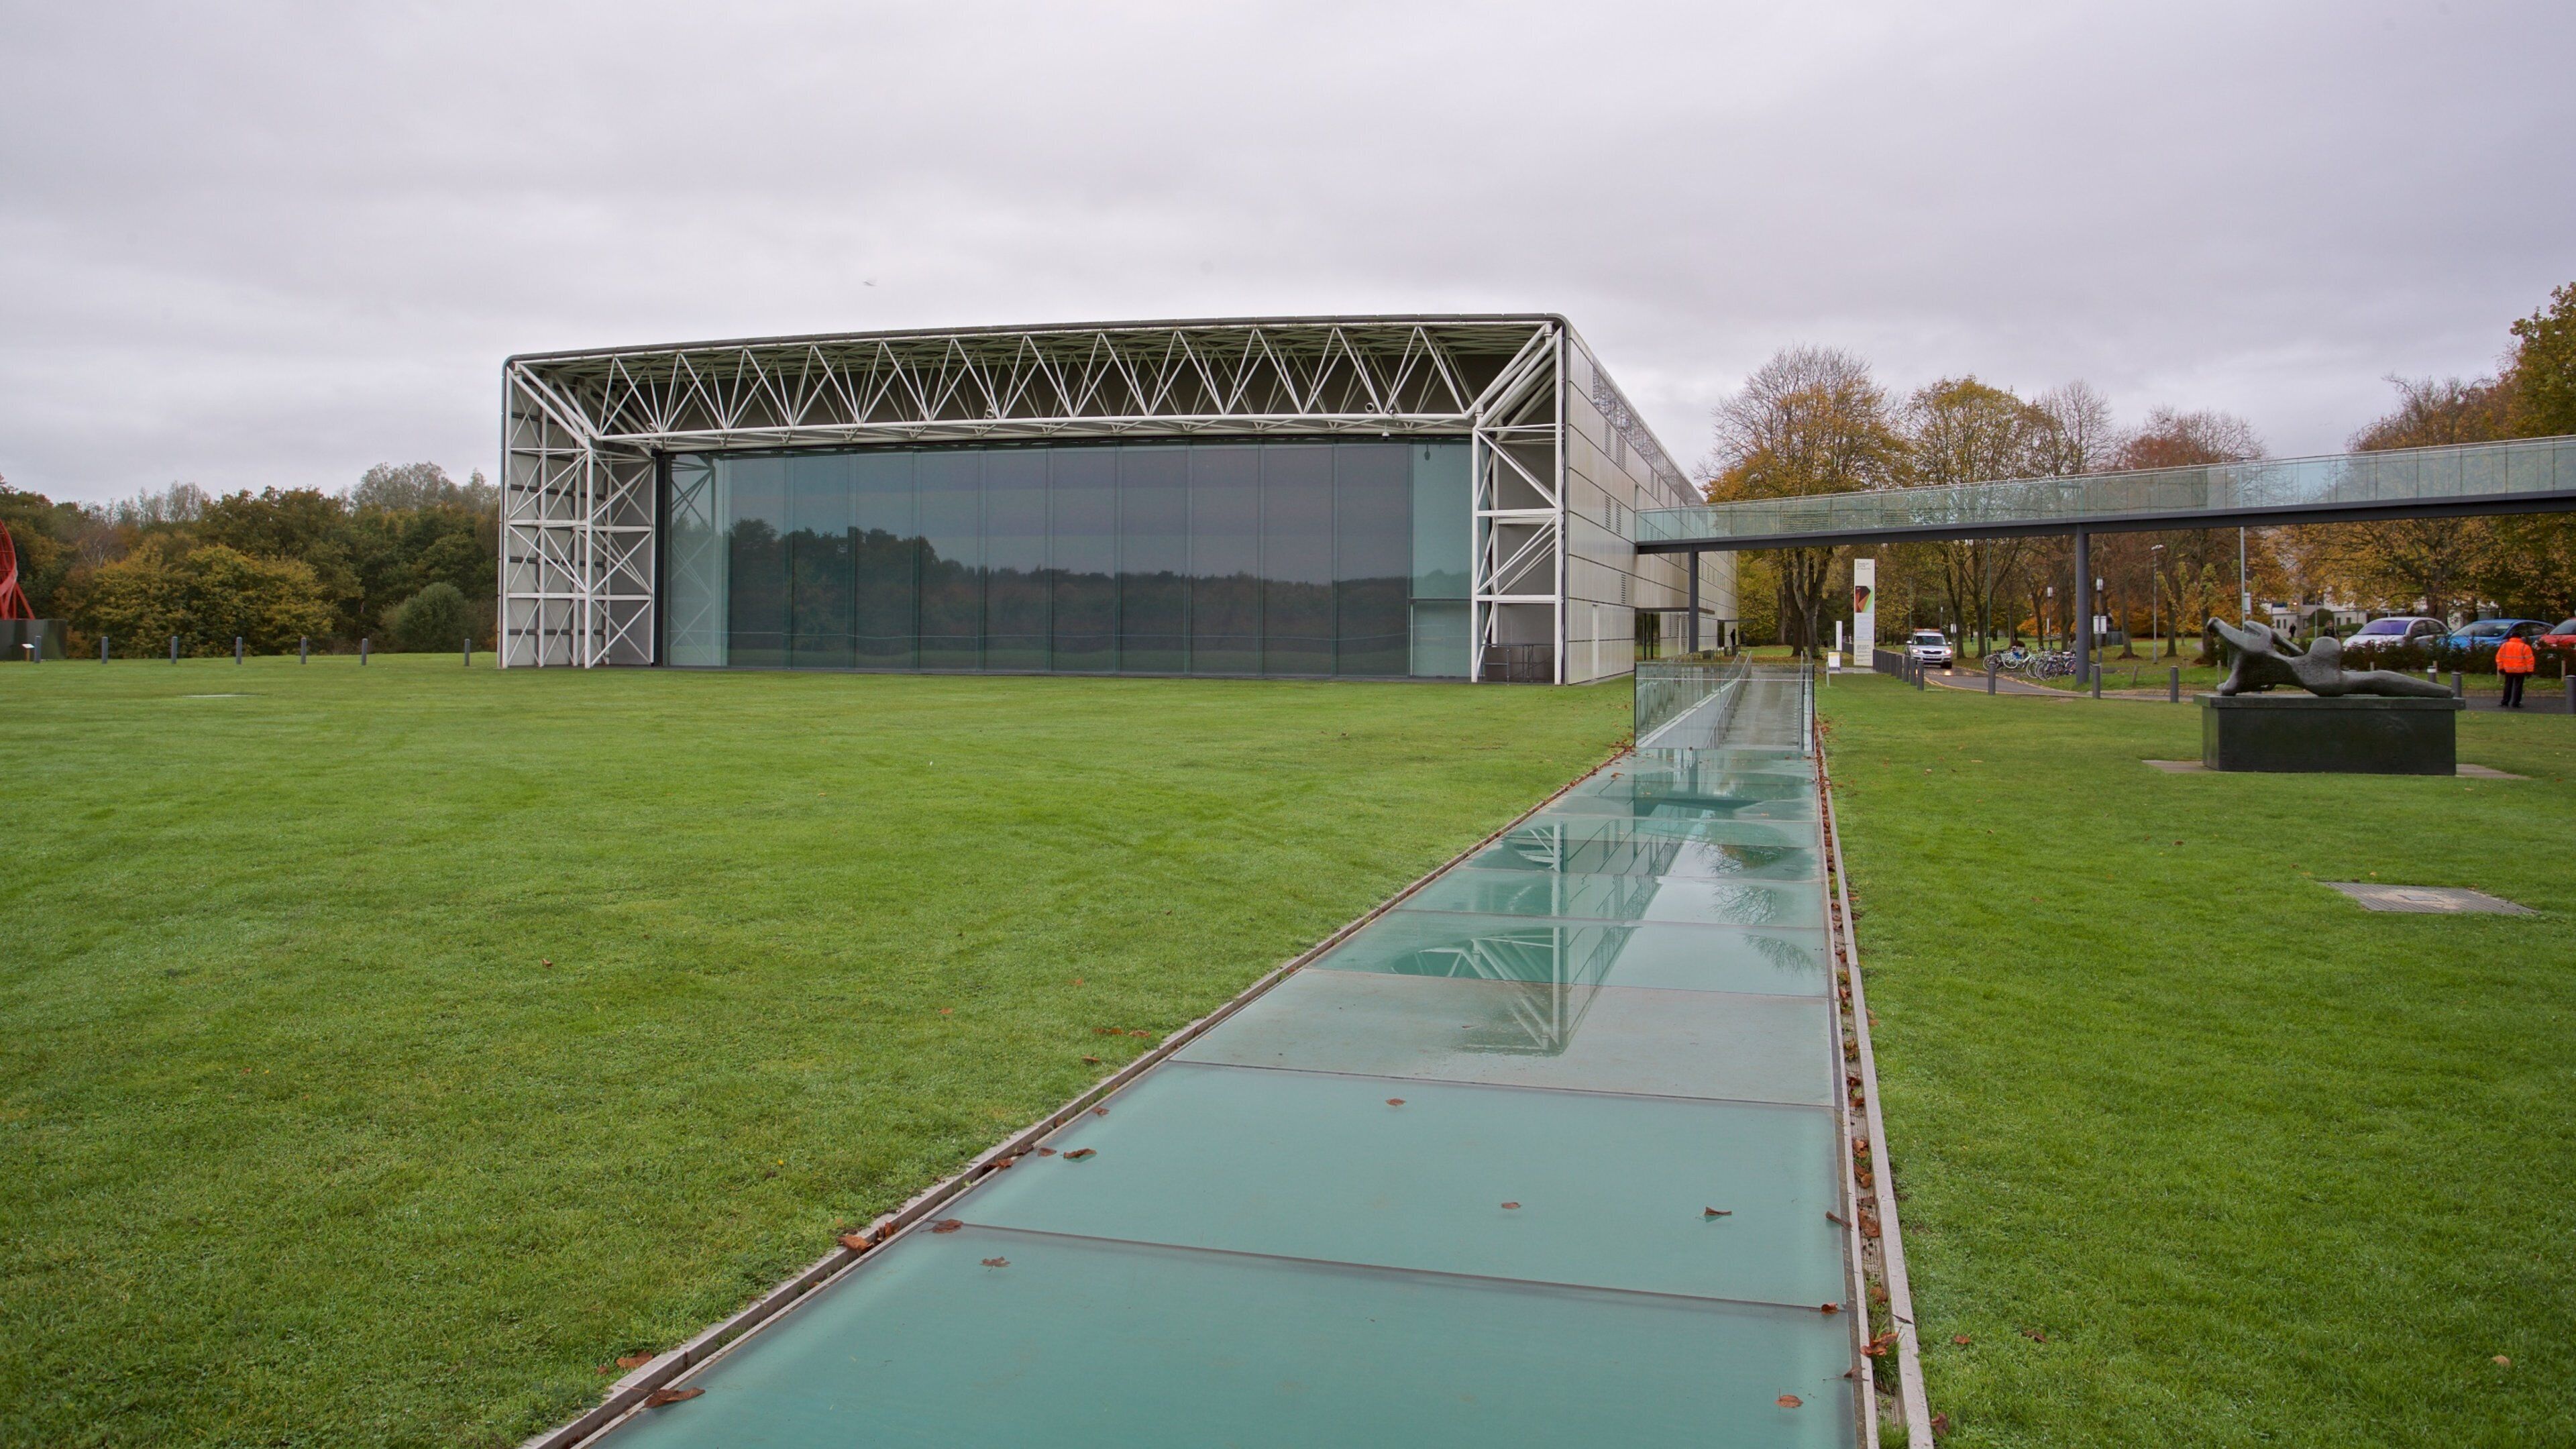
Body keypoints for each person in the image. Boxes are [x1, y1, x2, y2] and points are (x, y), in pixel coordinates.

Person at [2496, 629, 2537, 708]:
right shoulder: (2525, 647)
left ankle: (2505, 702)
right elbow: (2530, 660)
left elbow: (2499, 658)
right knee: (2518, 687)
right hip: (2520, 670)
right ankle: (2516, 703)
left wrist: (2501, 668)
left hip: (2508, 670)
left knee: (2508, 685)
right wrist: (2530, 671)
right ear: (2520, 638)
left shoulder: (2504, 646)